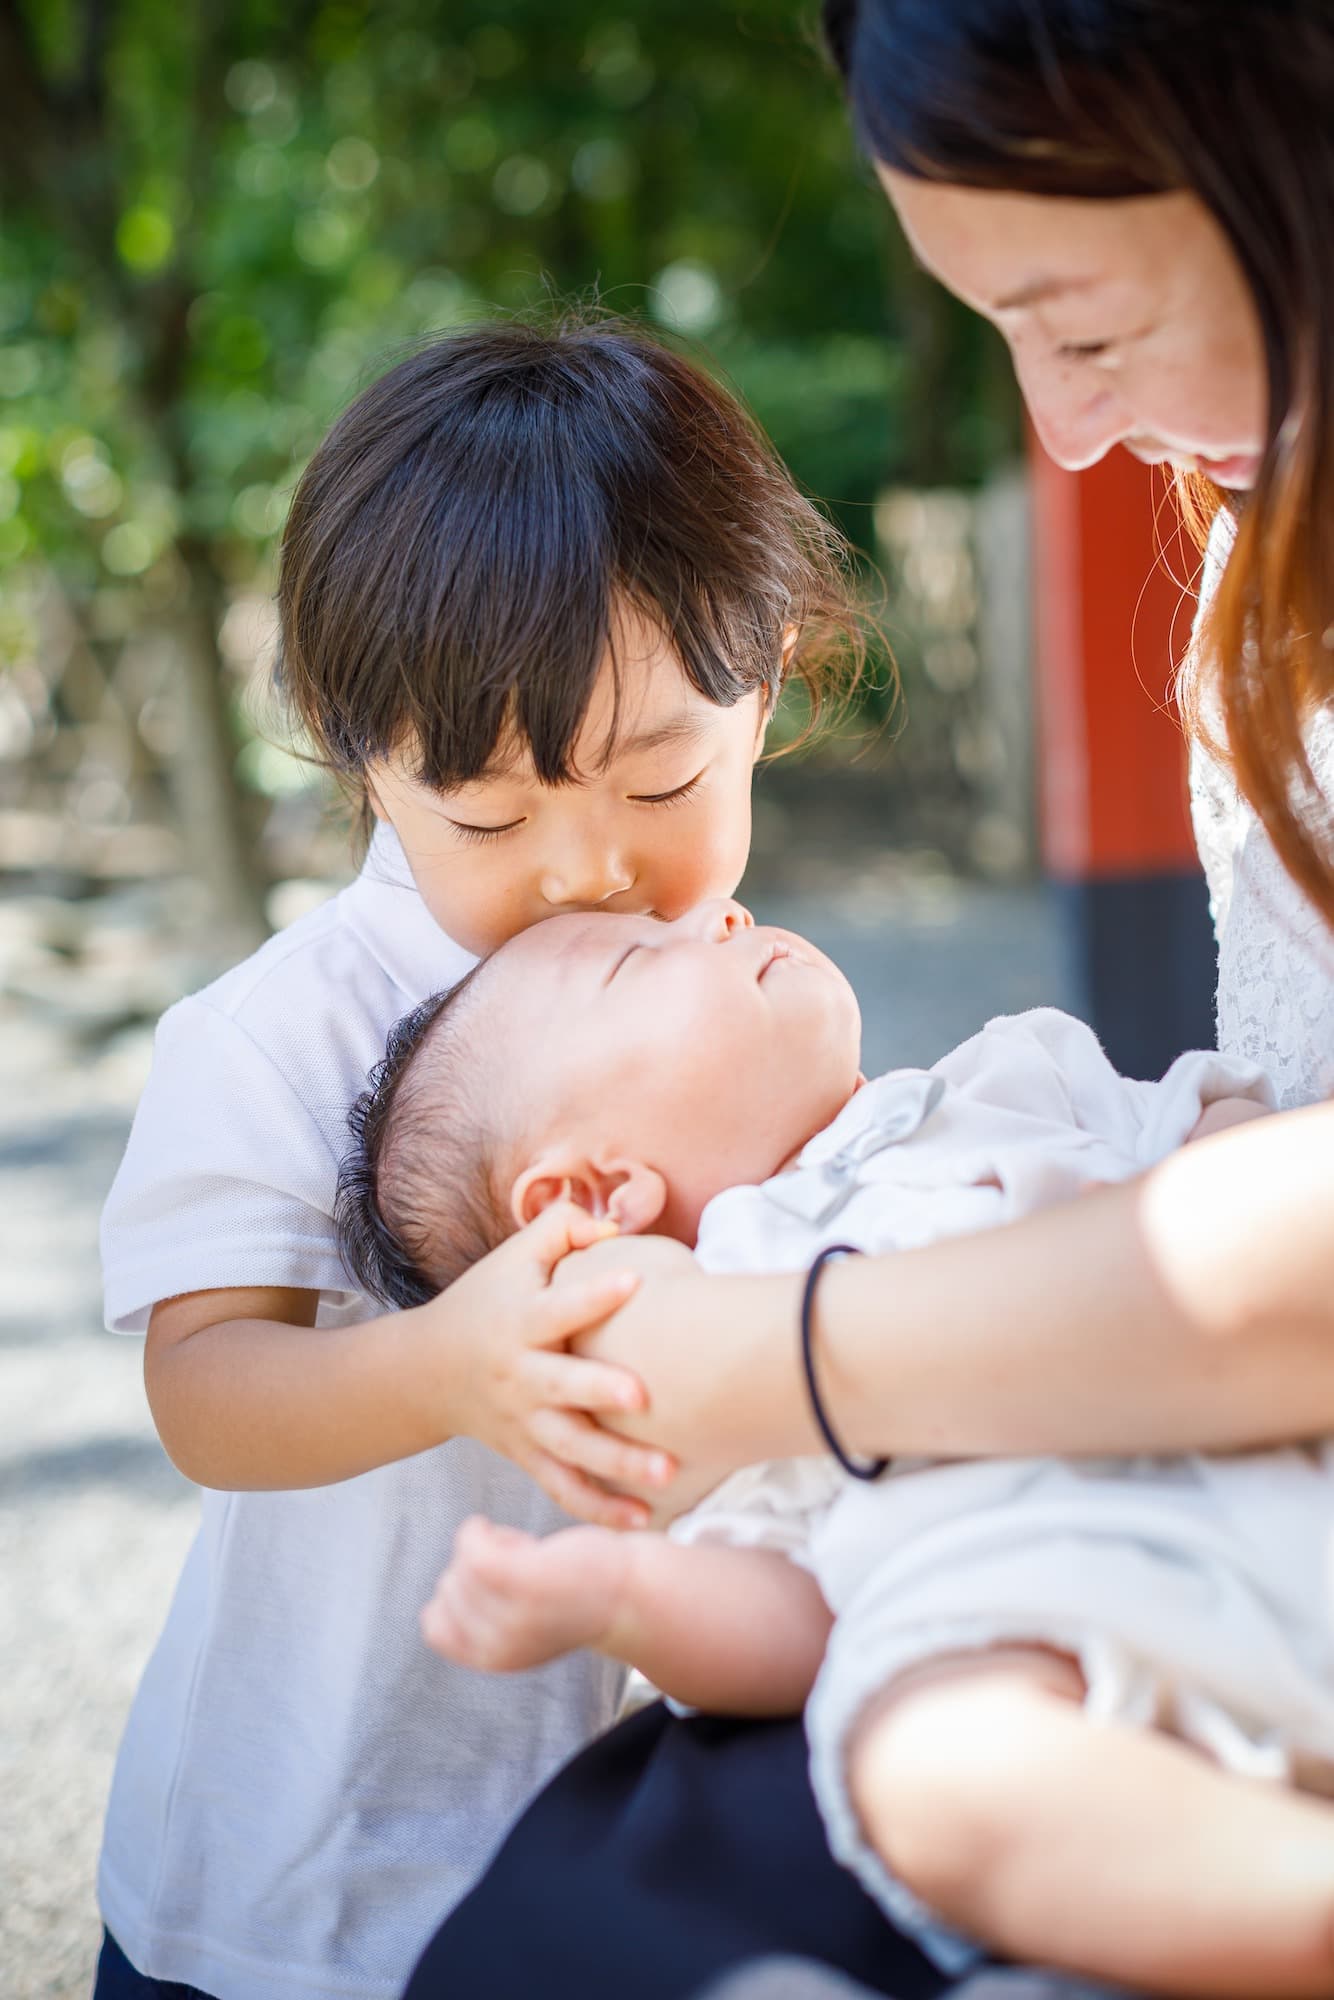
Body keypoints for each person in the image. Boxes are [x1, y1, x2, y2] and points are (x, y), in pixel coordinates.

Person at [405, 5, 1334, 1997]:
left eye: (1078, 324)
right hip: (1032, 1592)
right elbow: (777, 1608)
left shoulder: (935, 1125)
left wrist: (784, 1352)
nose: (1065, 432)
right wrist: (615, 1583)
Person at [90, 314, 864, 2000]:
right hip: (278, 1875)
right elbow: (204, 1392)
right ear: (354, 752)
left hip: (559, 1851)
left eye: (661, 776)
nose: (589, 870)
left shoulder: (722, 1009)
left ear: (771, 673)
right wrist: (448, 1364)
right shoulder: (281, 1028)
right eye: (492, 820)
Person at [339, 894, 1331, 1997]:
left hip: (1273, 1462)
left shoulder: (1008, 1075)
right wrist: (623, 1596)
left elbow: (1233, 1158)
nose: (718, 911)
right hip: (1019, 1614)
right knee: (922, 1770)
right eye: (636, 959)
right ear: (589, 1191)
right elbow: (799, 1621)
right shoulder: (711, 1334)